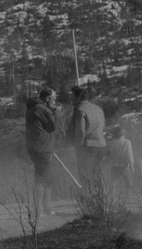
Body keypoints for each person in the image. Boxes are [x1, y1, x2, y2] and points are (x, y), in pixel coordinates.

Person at [25, 87, 64, 216]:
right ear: (47, 99)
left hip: (37, 147)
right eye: (54, 99)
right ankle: (40, 210)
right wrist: (56, 112)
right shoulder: (41, 109)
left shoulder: (34, 108)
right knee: (43, 179)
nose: (55, 102)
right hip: (43, 148)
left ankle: (44, 208)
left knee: (44, 177)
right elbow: (52, 125)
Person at [69, 85, 107, 183]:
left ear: (78, 97)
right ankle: (101, 196)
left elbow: (80, 131)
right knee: (98, 175)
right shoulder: (98, 109)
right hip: (101, 145)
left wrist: (77, 146)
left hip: (88, 146)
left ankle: (88, 197)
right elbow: (103, 126)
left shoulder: (80, 110)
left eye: (72, 97)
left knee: (85, 176)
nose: (71, 100)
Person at [107, 125, 135, 199]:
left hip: (114, 167)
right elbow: (129, 154)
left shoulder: (111, 143)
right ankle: (127, 197)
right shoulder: (127, 142)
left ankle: (111, 197)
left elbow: (108, 155)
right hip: (124, 166)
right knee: (128, 182)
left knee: (113, 183)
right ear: (124, 134)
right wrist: (131, 165)